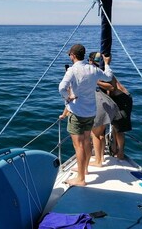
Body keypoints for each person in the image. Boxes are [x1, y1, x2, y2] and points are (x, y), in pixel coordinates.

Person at [59, 44, 113, 186]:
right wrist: (106, 64)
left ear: (73, 55)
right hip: (91, 113)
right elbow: (108, 77)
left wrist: (67, 98)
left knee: (79, 146)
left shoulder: (72, 70)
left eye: (70, 55)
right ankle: (85, 170)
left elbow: (61, 88)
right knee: (87, 142)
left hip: (77, 114)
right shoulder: (93, 69)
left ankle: (81, 179)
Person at [88, 52, 122, 167]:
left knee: (95, 134)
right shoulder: (101, 72)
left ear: (90, 61)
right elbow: (111, 86)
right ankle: (101, 157)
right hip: (107, 104)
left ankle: (98, 161)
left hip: (98, 105)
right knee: (101, 134)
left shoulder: (90, 72)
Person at [109, 76, 133, 159]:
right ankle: (114, 148)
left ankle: (120, 152)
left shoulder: (106, 74)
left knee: (119, 128)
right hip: (117, 99)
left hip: (122, 100)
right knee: (114, 125)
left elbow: (112, 88)